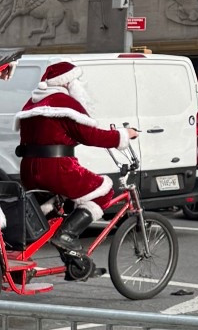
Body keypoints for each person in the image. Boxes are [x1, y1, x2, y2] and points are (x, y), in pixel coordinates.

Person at [17, 59, 137, 241]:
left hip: (28, 170)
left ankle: (72, 260)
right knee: (103, 191)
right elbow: (92, 136)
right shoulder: (63, 103)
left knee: (57, 206)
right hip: (56, 169)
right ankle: (67, 237)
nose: (79, 85)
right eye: (76, 81)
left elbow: (47, 137)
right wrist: (124, 134)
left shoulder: (32, 104)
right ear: (67, 82)